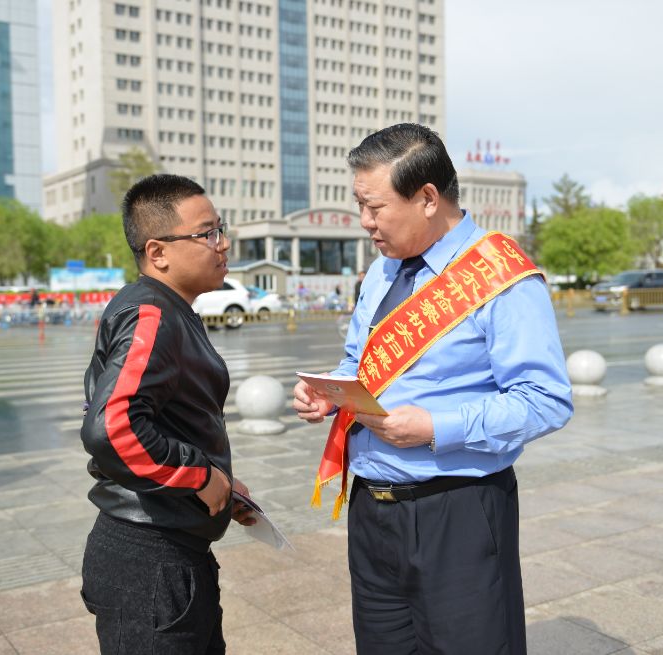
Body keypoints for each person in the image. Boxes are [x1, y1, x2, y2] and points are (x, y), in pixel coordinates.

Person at [293, 124, 573, 655]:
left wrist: (435, 428)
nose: (364, 223)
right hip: (372, 511)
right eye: (359, 205)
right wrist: (329, 392)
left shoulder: (500, 276)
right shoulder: (380, 272)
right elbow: (360, 361)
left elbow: (545, 399)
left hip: (457, 511)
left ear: (427, 198)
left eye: (374, 208)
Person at [80, 174, 254, 655]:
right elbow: (113, 428)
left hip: (167, 550)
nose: (222, 244)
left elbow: (159, 419)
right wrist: (199, 476)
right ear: (158, 252)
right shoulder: (152, 314)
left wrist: (220, 480)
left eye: (220, 229)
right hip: (149, 559)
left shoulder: (170, 310)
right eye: (207, 234)